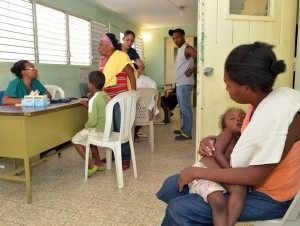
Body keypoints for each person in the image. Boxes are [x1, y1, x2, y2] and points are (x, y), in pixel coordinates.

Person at [156, 42, 300, 225]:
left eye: (228, 84)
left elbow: (257, 175)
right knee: (172, 185)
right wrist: (212, 140)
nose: (226, 89)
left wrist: (195, 172)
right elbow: (251, 141)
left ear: (246, 88)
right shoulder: (260, 104)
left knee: (181, 209)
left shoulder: (285, 115)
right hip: (249, 185)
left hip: (272, 198)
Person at [188, 107, 246, 226]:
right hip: (202, 174)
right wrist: (231, 173)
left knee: (239, 191)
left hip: (218, 177)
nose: (239, 119)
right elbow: (217, 152)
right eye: (232, 118)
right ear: (225, 126)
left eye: (242, 116)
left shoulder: (243, 139)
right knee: (218, 201)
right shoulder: (227, 133)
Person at [98, 32, 137, 170]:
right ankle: (114, 154)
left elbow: (131, 74)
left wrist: (133, 95)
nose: (99, 47)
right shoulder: (102, 60)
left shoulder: (121, 56)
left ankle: (125, 157)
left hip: (121, 100)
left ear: (109, 46)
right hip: (108, 100)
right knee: (111, 129)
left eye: (101, 44)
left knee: (122, 129)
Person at [72, 71, 109, 177]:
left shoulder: (94, 99)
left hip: (99, 131)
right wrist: (88, 106)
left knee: (75, 139)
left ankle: (91, 165)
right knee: (89, 136)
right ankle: (99, 163)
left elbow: (92, 121)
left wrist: (84, 128)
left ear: (90, 84)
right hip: (107, 129)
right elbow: (101, 113)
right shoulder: (106, 96)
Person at [168, 28, 197, 141]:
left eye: (178, 37)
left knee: (185, 109)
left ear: (183, 36)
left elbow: (200, 58)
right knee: (183, 108)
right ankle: (184, 128)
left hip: (185, 83)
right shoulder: (181, 49)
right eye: (174, 38)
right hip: (181, 83)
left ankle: (187, 133)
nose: (176, 40)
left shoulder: (187, 48)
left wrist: (191, 70)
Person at [135, 63, 158, 142]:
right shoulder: (148, 80)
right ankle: (135, 133)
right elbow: (154, 94)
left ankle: (133, 133)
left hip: (134, 114)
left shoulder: (128, 81)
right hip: (147, 113)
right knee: (143, 110)